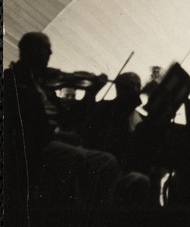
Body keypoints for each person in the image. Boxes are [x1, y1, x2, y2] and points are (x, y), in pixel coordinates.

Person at [4, 32, 148, 207]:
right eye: (46, 50)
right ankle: (98, 220)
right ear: (30, 51)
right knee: (106, 162)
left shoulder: (43, 84)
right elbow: (28, 128)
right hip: (35, 148)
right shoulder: (14, 81)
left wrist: (91, 93)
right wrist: (62, 135)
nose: (50, 55)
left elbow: (69, 119)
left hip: (49, 143)